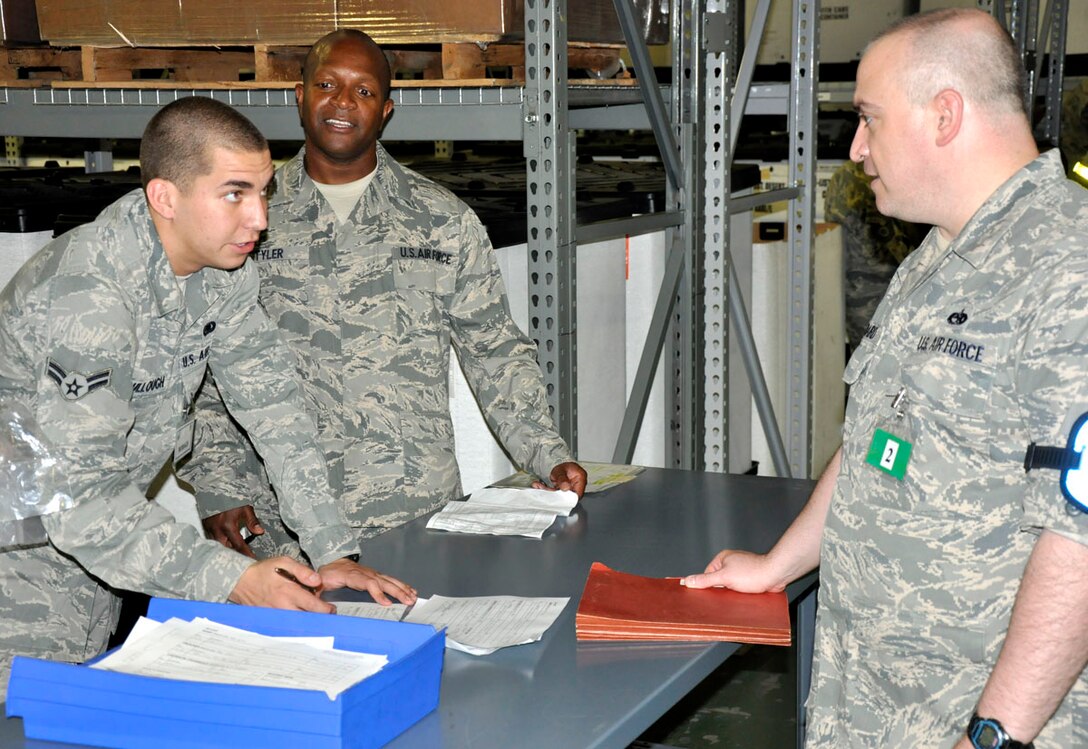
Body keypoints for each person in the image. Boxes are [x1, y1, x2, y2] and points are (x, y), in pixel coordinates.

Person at [684, 9, 1088, 748]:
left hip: (976, 720)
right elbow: (878, 436)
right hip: (872, 709)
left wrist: (996, 734)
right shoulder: (935, 257)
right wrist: (778, 564)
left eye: (869, 118)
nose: (858, 148)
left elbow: (1081, 543)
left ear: (944, 114)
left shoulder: (1069, 269)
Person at [0, 97, 414, 699]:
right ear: (165, 198)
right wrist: (232, 579)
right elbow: (80, 501)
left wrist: (331, 549)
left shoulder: (222, 273)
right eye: (235, 194)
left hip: (105, 544)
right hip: (21, 561)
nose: (260, 219)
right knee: (26, 719)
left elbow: (277, 412)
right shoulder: (90, 296)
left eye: (264, 192)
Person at [182, 29, 586, 560]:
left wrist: (546, 454)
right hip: (280, 519)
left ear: (387, 110)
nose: (343, 103)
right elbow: (207, 362)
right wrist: (220, 483)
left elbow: (494, 352)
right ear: (300, 96)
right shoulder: (248, 217)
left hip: (412, 516)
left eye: (364, 91)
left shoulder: (441, 221)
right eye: (327, 83)